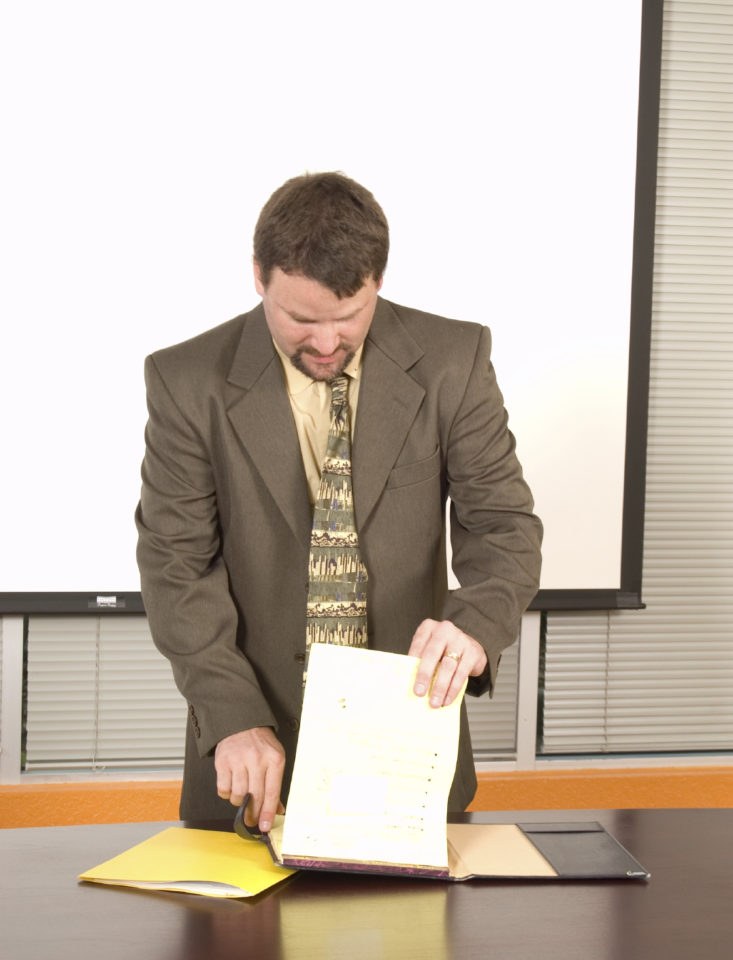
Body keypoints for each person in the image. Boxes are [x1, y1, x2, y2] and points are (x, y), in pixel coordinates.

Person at [135, 172, 542, 830]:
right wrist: (232, 717)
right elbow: (176, 564)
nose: (325, 344)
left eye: (347, 318)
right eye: (299, 319)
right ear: (258, 277)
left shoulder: (452, 361)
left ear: (376, 283)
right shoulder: (185, 381)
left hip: (409, 751)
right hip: (251, 759)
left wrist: (473, 626)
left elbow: (504, 529)